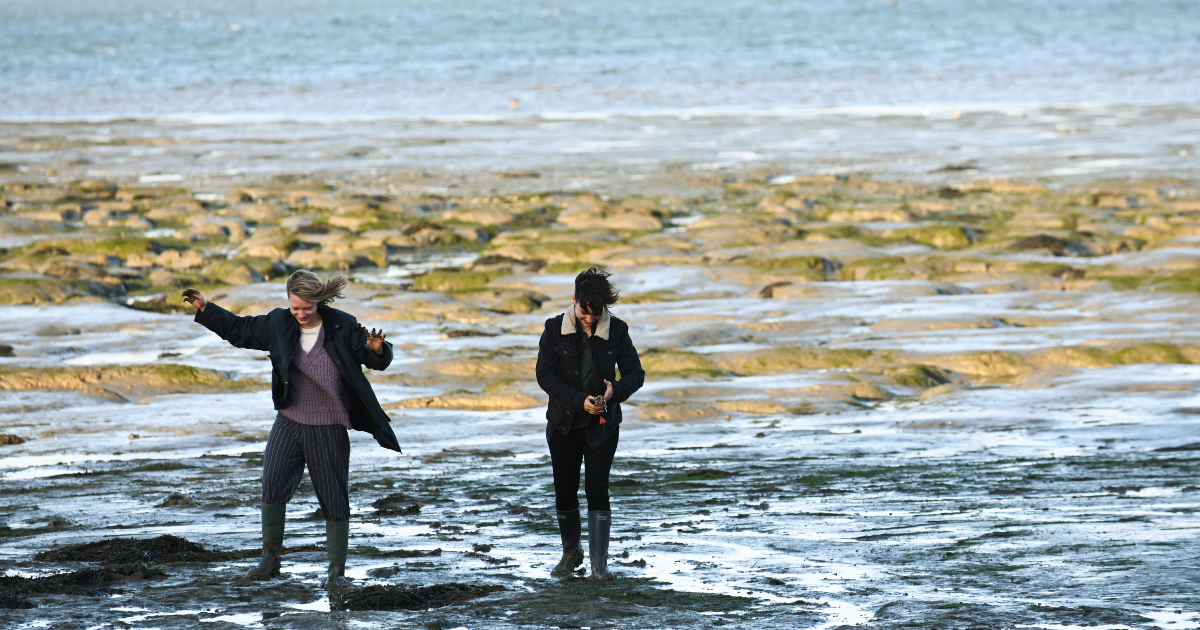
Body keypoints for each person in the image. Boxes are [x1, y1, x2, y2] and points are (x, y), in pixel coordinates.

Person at [182, 270, 399, 589]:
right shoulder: (278, 322)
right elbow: (240, 331)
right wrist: (206, 308)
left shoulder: (342, 325)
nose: (300, 313)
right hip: (289, 419)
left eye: (306, 308)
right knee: (272, 484)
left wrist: (378, 349)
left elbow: (374, 359)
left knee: (333, 498)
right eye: (295, 307)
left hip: (327, 426)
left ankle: (336, 573)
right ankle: (270, 561)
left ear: (318, 302)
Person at [535, 268, 645, 580]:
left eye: (596, 314)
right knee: (565, 491)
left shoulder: (618, 330)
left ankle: (600, 565)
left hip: (602, 426)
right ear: (574, 301)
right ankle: (571, 553)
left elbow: (635, 373)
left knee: (597, 488)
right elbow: (545, 375)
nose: (589, 319)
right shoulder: (554, 328)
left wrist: (615, 392)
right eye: (585, 312)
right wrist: (576, 400)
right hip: (563, 423)